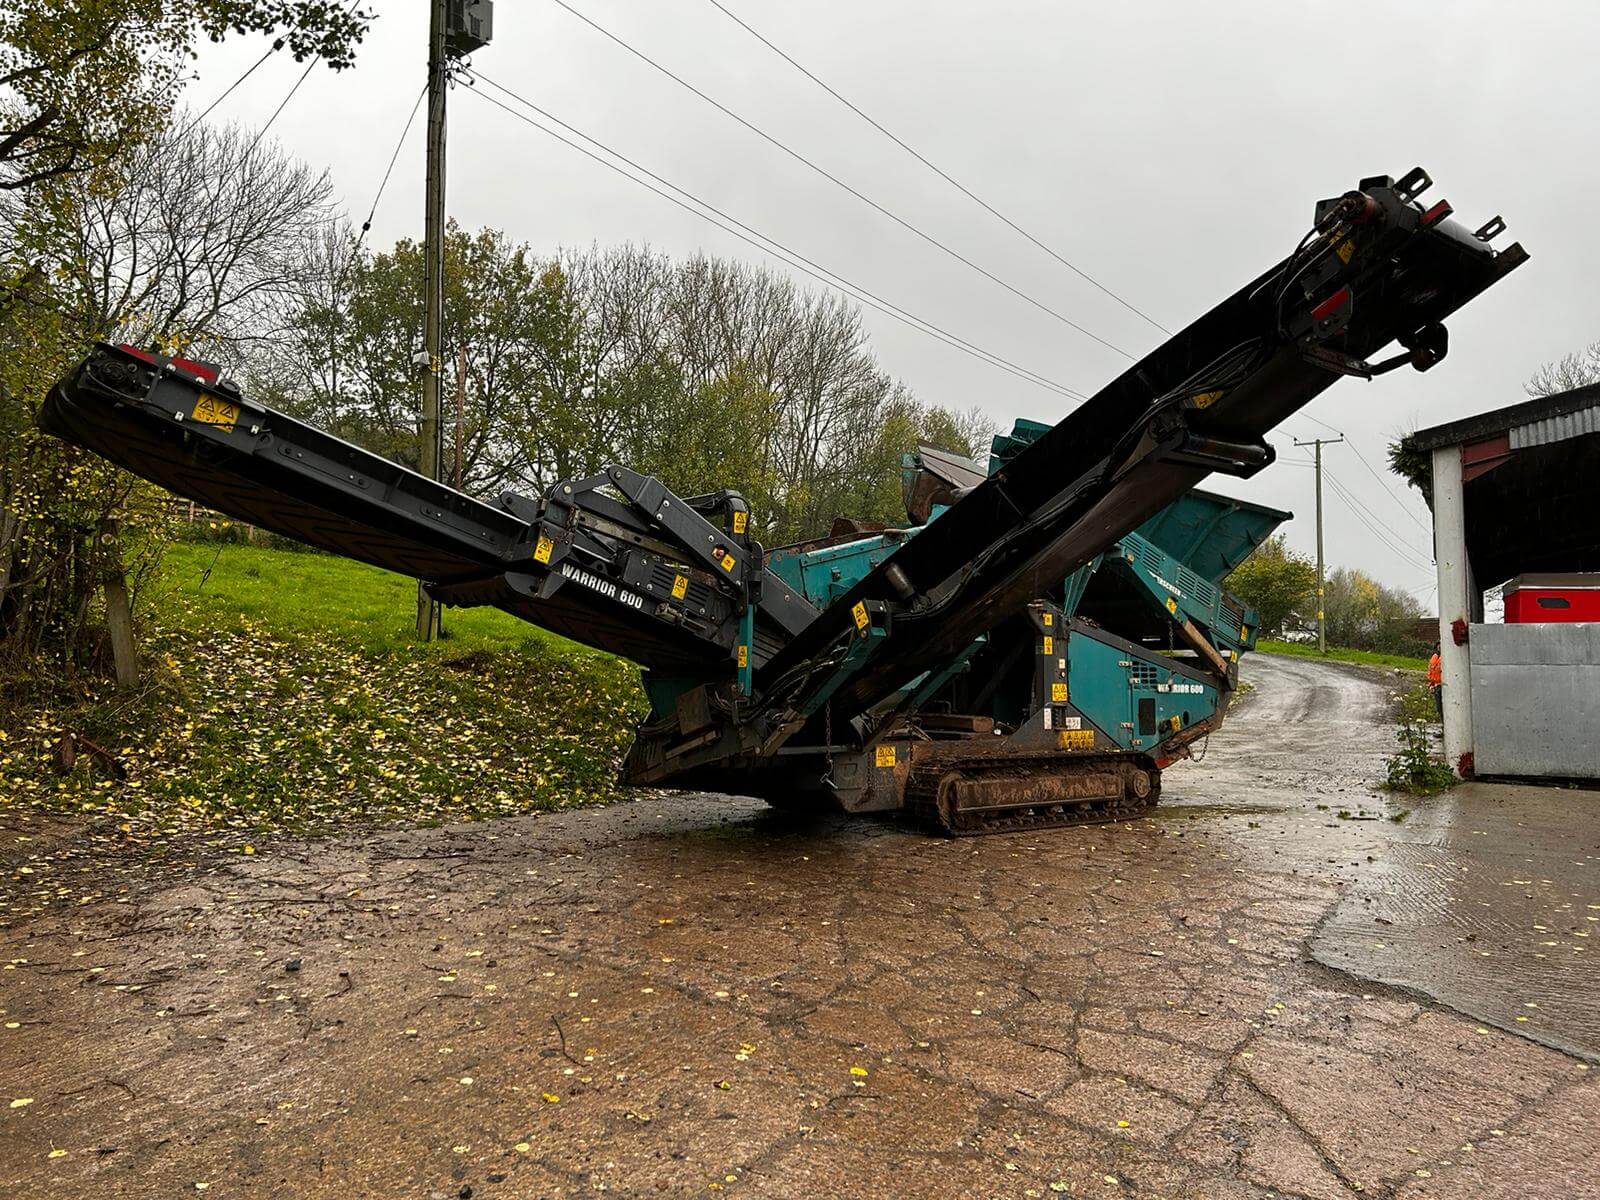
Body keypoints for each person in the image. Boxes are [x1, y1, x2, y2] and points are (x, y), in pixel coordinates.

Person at [1427, 643, 1443, 722]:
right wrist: (1431, 685)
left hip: (1444, 686)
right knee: (1439, 708)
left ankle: (1445, 728)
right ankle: (1444, 728)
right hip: (1436, 685)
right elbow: (1431, 672)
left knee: (1445, 708)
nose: (1439, 648)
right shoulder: (1434, 658)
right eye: (1438, 647)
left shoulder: (1447, 658)